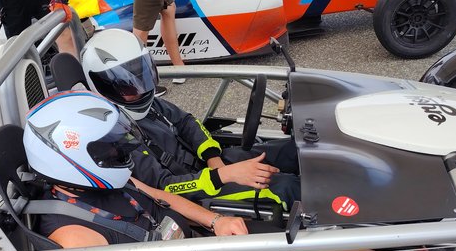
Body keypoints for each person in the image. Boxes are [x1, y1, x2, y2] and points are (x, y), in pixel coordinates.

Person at [23, 90, 419, 251]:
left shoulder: (106, 179)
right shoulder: (74, 236)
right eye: (111, 150)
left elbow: (163, 196)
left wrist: (215, 219)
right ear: (69, 158)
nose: (123, 155)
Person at [81, 29, 300, 207]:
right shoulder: (114, 137)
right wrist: (222, 176)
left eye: (142, 76)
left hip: (210, 167)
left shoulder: (150, 102)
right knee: (287, 187)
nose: (140, 89)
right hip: (195, 192)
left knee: (292, 151)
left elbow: (186, 121)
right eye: (128, 85)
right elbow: (163, 187)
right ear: (102, 85)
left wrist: (213, 158)